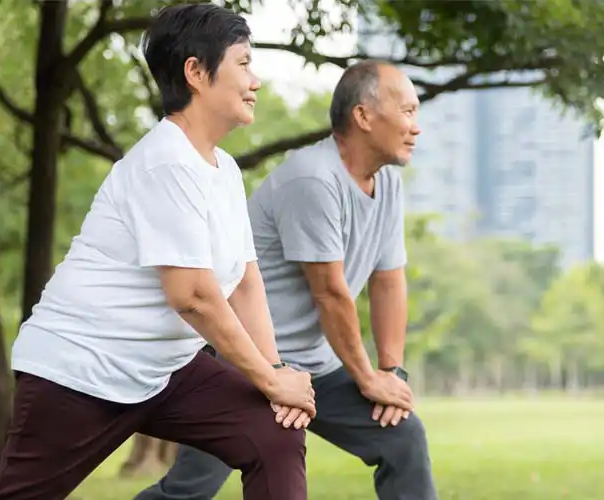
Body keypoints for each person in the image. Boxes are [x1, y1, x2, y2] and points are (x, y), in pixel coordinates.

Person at [0, 4, 316, 499]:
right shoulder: (165, 162)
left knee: (273, 431)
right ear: (196, 72)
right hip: (83, 366)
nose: (255, 79)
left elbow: (244, 281)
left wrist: (275, 376)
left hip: (166, 370)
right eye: (243, 63)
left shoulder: (223, 172)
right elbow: (193, 296)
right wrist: (270, 379)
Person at [136, 60, 438, 500]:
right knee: (191, 490)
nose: (417, 127)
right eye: (408, 111)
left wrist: (391, 372)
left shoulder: (387, 182)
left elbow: (388, 280)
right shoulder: (314, 179)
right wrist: (368, 379)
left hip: (316, 369)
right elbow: (331, 295)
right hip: (247, 362)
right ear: (364, 116)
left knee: (401, 438)